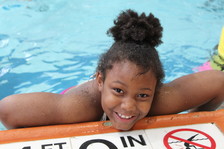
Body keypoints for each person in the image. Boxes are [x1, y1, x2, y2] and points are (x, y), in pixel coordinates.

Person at [0, 9, 224, 131]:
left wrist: (195, 121)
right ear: (100, 80)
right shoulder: (77, 108)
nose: (129, 105)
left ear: (156, 89)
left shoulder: (162, 101)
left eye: (143, 94)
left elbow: (219, 81)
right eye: (118, 91)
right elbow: (7, 110)